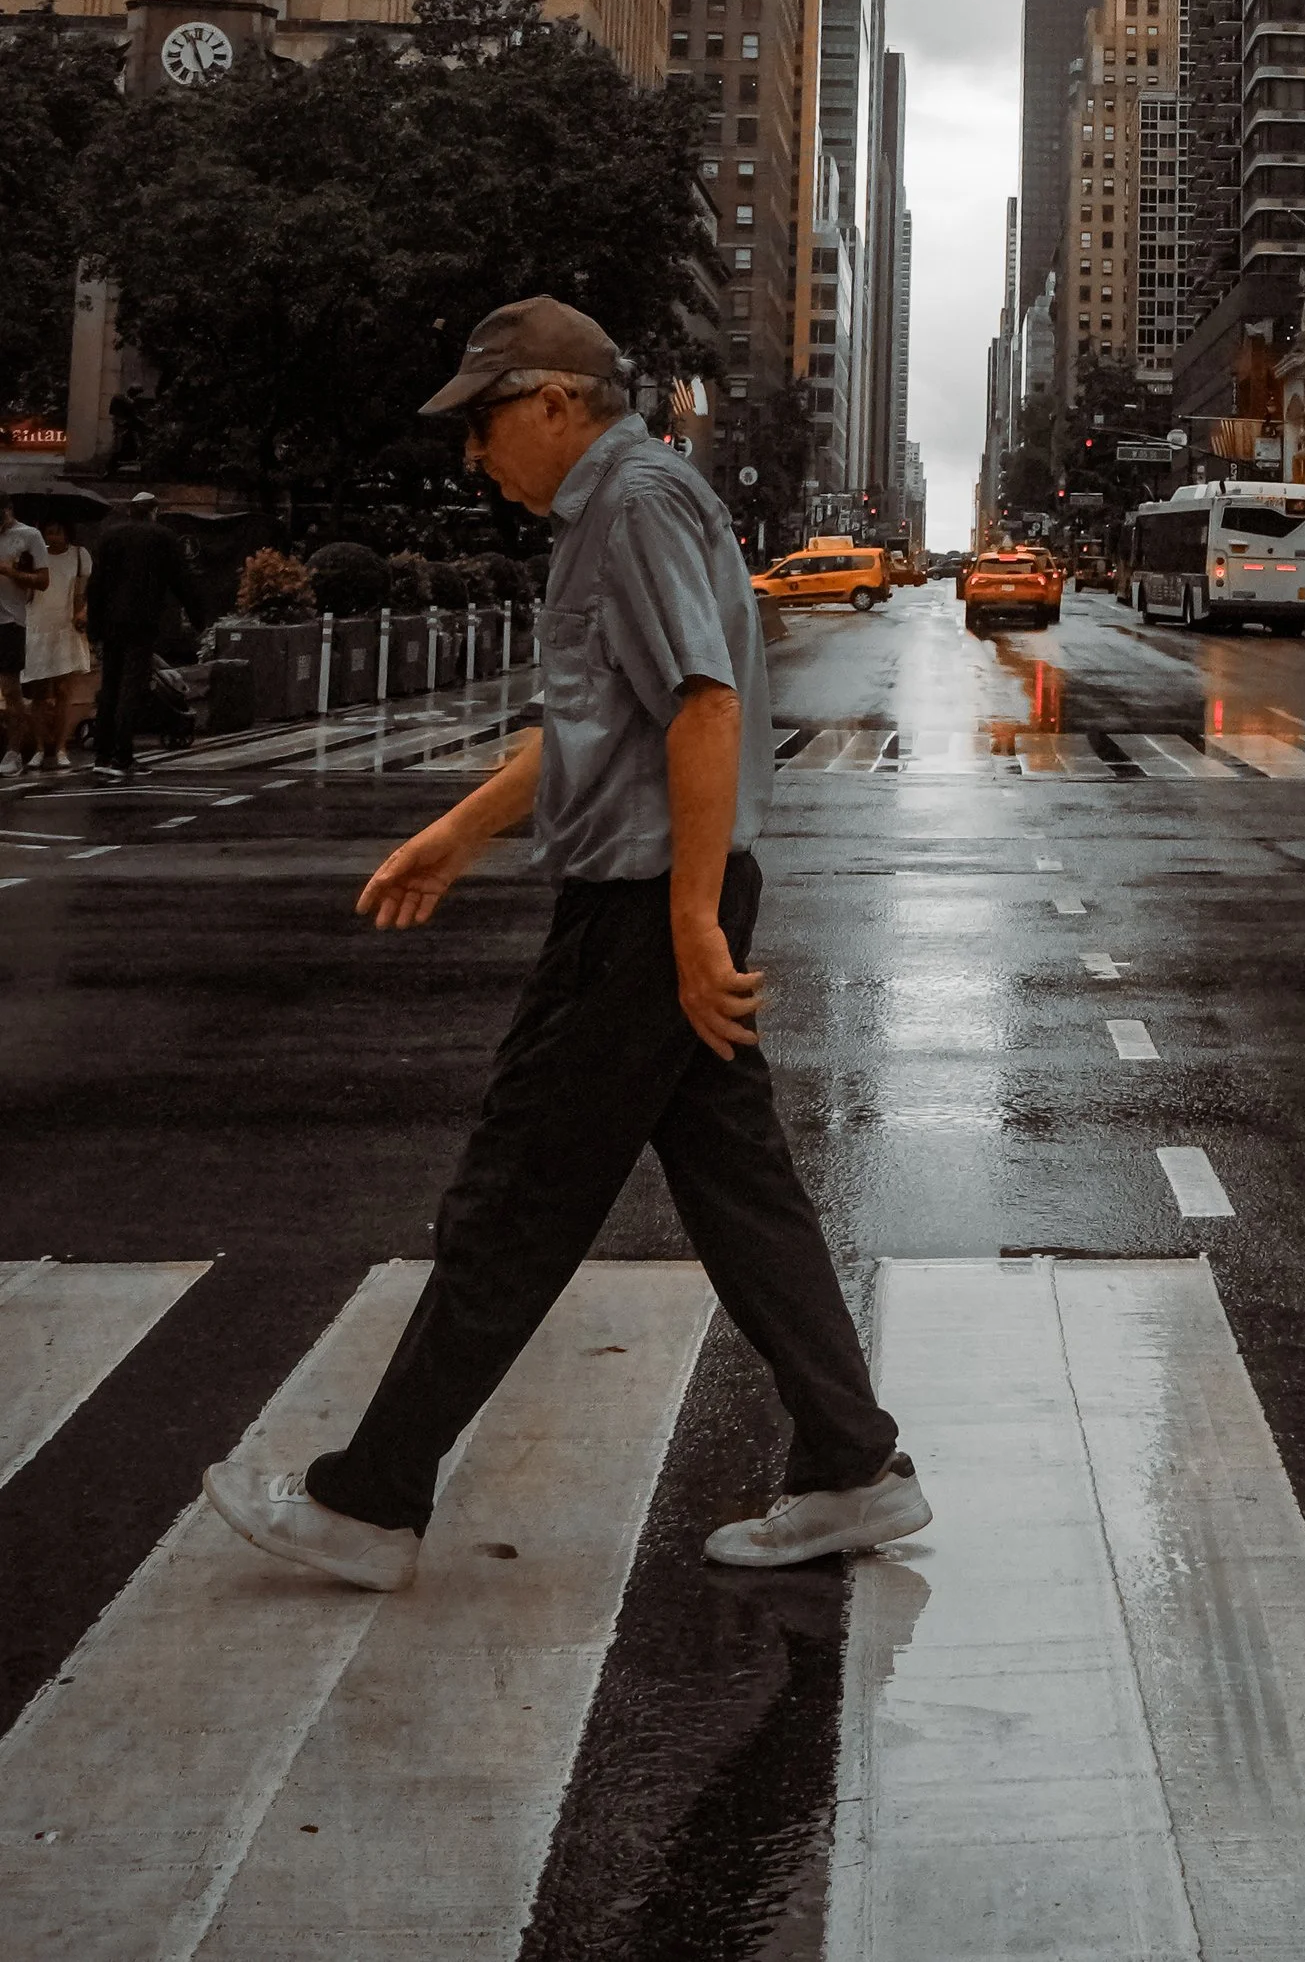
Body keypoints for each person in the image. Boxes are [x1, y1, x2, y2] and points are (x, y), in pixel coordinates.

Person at [204, 295, 924, 1597]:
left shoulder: (633, 503)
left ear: (550, 400)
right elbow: (601, 728)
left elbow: (704, 709)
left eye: (483, 424)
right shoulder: (624, 507)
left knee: (514, 1196)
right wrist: (458, 831)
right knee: (738, 1185)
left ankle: (370, 1496)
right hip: (660, 893)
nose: (474, 458)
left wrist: (692, 917)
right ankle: (851, 1462)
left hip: (644, 906)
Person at [84, 490, 195, 784]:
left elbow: (95, 585)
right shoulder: (163, 537)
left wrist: (93, 626)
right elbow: (181, 581)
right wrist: (198, 618)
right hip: (141, 623)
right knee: (130, 688)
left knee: (110, 687)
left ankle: (102, 755)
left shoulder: (109, 537)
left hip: (110, 624)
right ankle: (123, 756)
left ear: (130, 511)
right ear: (153, 511)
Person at [15, 510, 92, 774]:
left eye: (58, 531)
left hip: (66, 628)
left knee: (63, 694)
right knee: (38, 695)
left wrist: (82, 613)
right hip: (36, 627)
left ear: (67, 532)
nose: (53, 537)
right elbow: (22, 594)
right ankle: (38, 748)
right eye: (48, 532)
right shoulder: (33, 557)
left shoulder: (80, 555)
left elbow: (84, 592)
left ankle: (60, 748)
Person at [0, 493, 50, 774]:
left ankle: (13, 751)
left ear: (8, 510)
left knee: (10, 689)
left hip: (10, 621)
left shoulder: (29, 536)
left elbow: (43, 581)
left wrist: (11, 573)